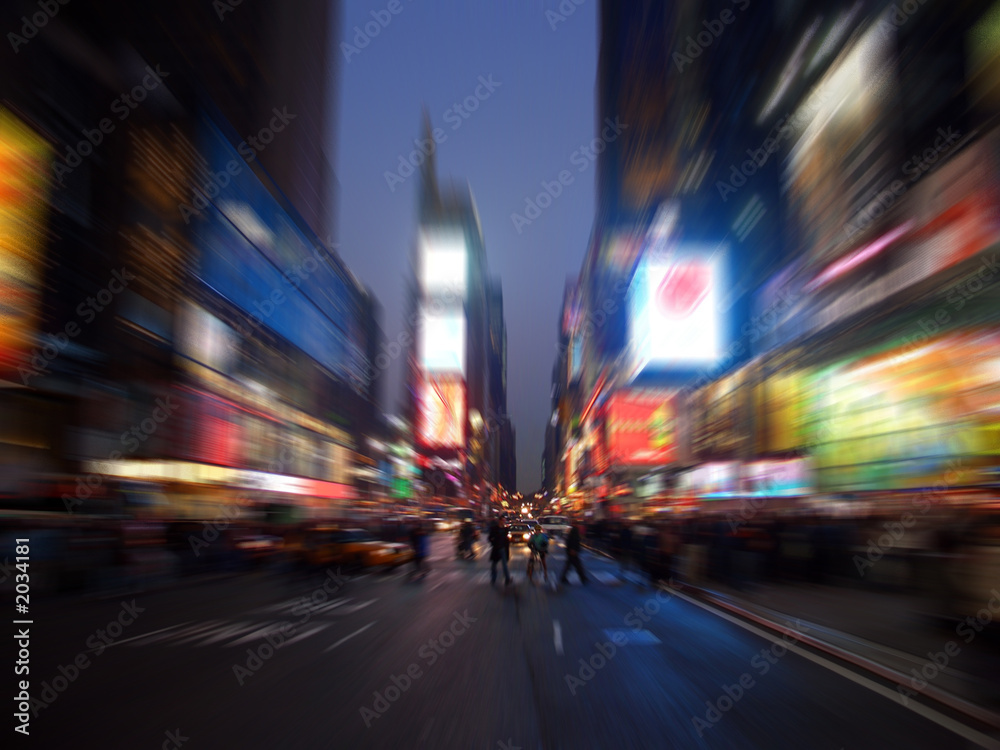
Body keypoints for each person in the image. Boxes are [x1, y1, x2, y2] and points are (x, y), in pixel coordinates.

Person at [488, 519, 512, 586]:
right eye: (501, 520)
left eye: (503, 520)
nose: (502, 522)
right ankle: (493, 578)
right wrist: (493, 543)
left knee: (504, 564)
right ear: (499, 521)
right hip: (496, 548)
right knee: (494, 564)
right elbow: (490, 538)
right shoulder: (495, 529)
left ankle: (507, 578)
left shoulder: (505, 530)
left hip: (503, 548)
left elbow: (507, 540)